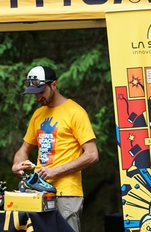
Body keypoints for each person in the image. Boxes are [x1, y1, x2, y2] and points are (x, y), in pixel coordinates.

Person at [11, 65, 99, 232]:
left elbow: (92, 155)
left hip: (67, 193)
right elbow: (23, 150)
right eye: (34, 93)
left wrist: (55, 171)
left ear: (54, 85)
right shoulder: (38, 114)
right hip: (38, 193)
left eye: (41, 91)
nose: (38, 96)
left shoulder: (75, 112)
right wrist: (18, 164)